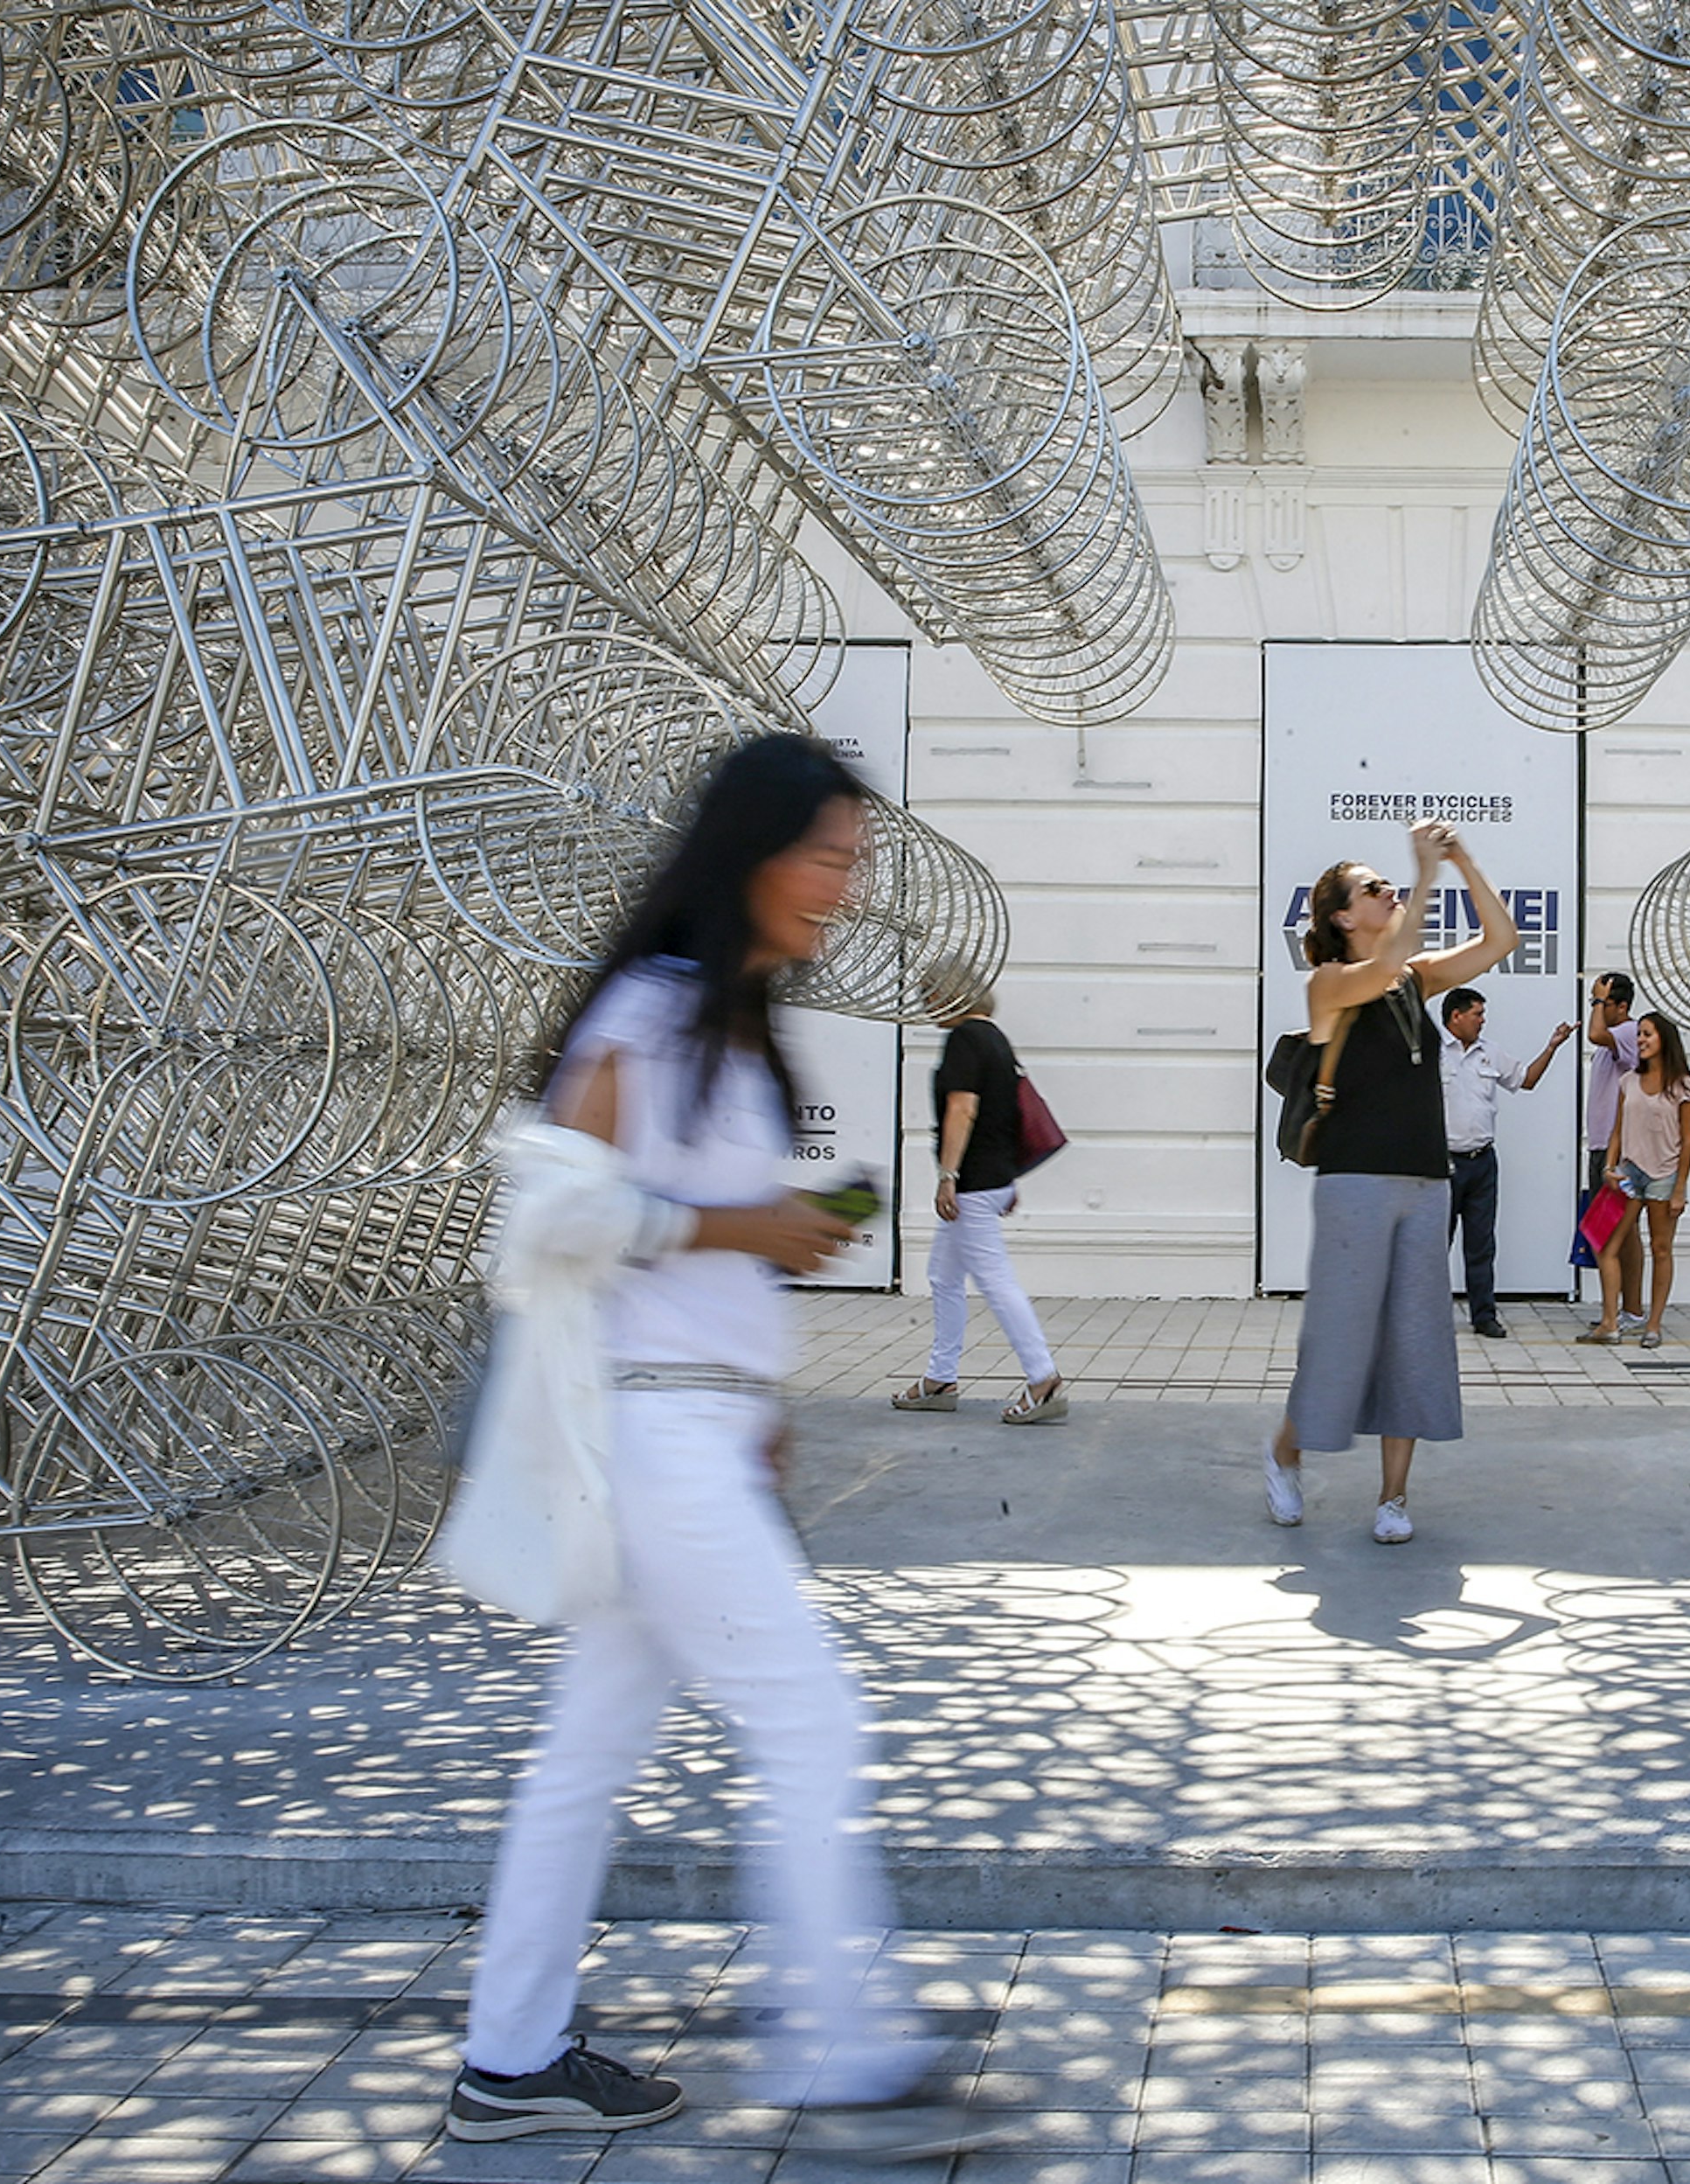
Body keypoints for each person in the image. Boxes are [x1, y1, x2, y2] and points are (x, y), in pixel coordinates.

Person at [452, 735, 972, 2160]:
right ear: (749, 851)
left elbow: (664, 1236)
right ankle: (857, 2064)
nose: (843, 890)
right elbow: (548, 1222)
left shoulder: (724, 1022)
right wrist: (746, 1228)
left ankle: (510, 2056)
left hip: (689, 1430)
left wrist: (757, 1394)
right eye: (829, 856)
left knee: (586, 1752)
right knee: (809, 1722)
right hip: (652, 1433)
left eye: (853, 862)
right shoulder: (654, 1010)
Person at [1267, 820, 1520, 1543]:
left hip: (1424, 1181)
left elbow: (1499, 942)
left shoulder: (1416, 979)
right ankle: (1286, 1452)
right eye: (1374, 889)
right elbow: (1382, 970)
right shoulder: (1330, 984)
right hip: (1353, 1181)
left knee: (1414, 1339)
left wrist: (1463, 860)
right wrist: (1424, 875)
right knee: (1341, 1339)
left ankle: (1394, 1498)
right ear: (1344, 917)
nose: (1389, 893)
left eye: (1389, 887)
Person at [893, 965, 1065, 1423]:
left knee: (995, 1280)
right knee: (943, 1277)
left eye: (930, 992)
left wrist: (947, 1174)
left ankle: (1042, 1377)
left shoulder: (965, 1039)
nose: (926, 1003)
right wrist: (1006, 1179)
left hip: (972, 1185)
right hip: (991, 1181)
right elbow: (1005, 1117)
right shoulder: (996, 1039)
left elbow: (963, 1108)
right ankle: (940, 1378)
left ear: (953, 994)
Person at [1437, 985, 1571, 1339]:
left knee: (1481, 1244)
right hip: (1442, 1163)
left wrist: (1552, 1046)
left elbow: (1526, 1080)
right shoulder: (1433, 1053)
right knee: (1434, 1245)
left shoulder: (1489, 1053)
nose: (1483, 1021)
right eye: (1477, 1014)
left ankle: (1484, 1315)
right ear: (1457, 1016)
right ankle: (1430, 1317)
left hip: (1482, 1162)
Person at [1591, 1010, 1690, 1349]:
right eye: (1639, 1034)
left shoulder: (1684, 1086)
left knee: (1661, 1247)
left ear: (1664, 1039)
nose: (1641, 1040)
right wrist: (1609, 1166)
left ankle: (1653, 1324)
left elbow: (1688, 1140)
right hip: (1629, 1172)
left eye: (1647, 1034)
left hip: (1663, 1175)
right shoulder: (1629, 1081)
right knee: (1606, 1244)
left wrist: (1680, 1187)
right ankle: (1610, 1321)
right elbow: (1618, 1130)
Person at [1573, 971, 1648, 1344]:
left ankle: (1619, 1316)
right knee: (1620, 1231)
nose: (1596, 1010)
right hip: (1603, 1144)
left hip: (1614, 1149)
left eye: (1601, 1002)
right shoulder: (1613, 1041)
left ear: (1621, 1006)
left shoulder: (1626, 1033)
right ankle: (1625, 1310)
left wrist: (1599, 1005)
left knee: (1616, 1233)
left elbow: (1594, 1033)